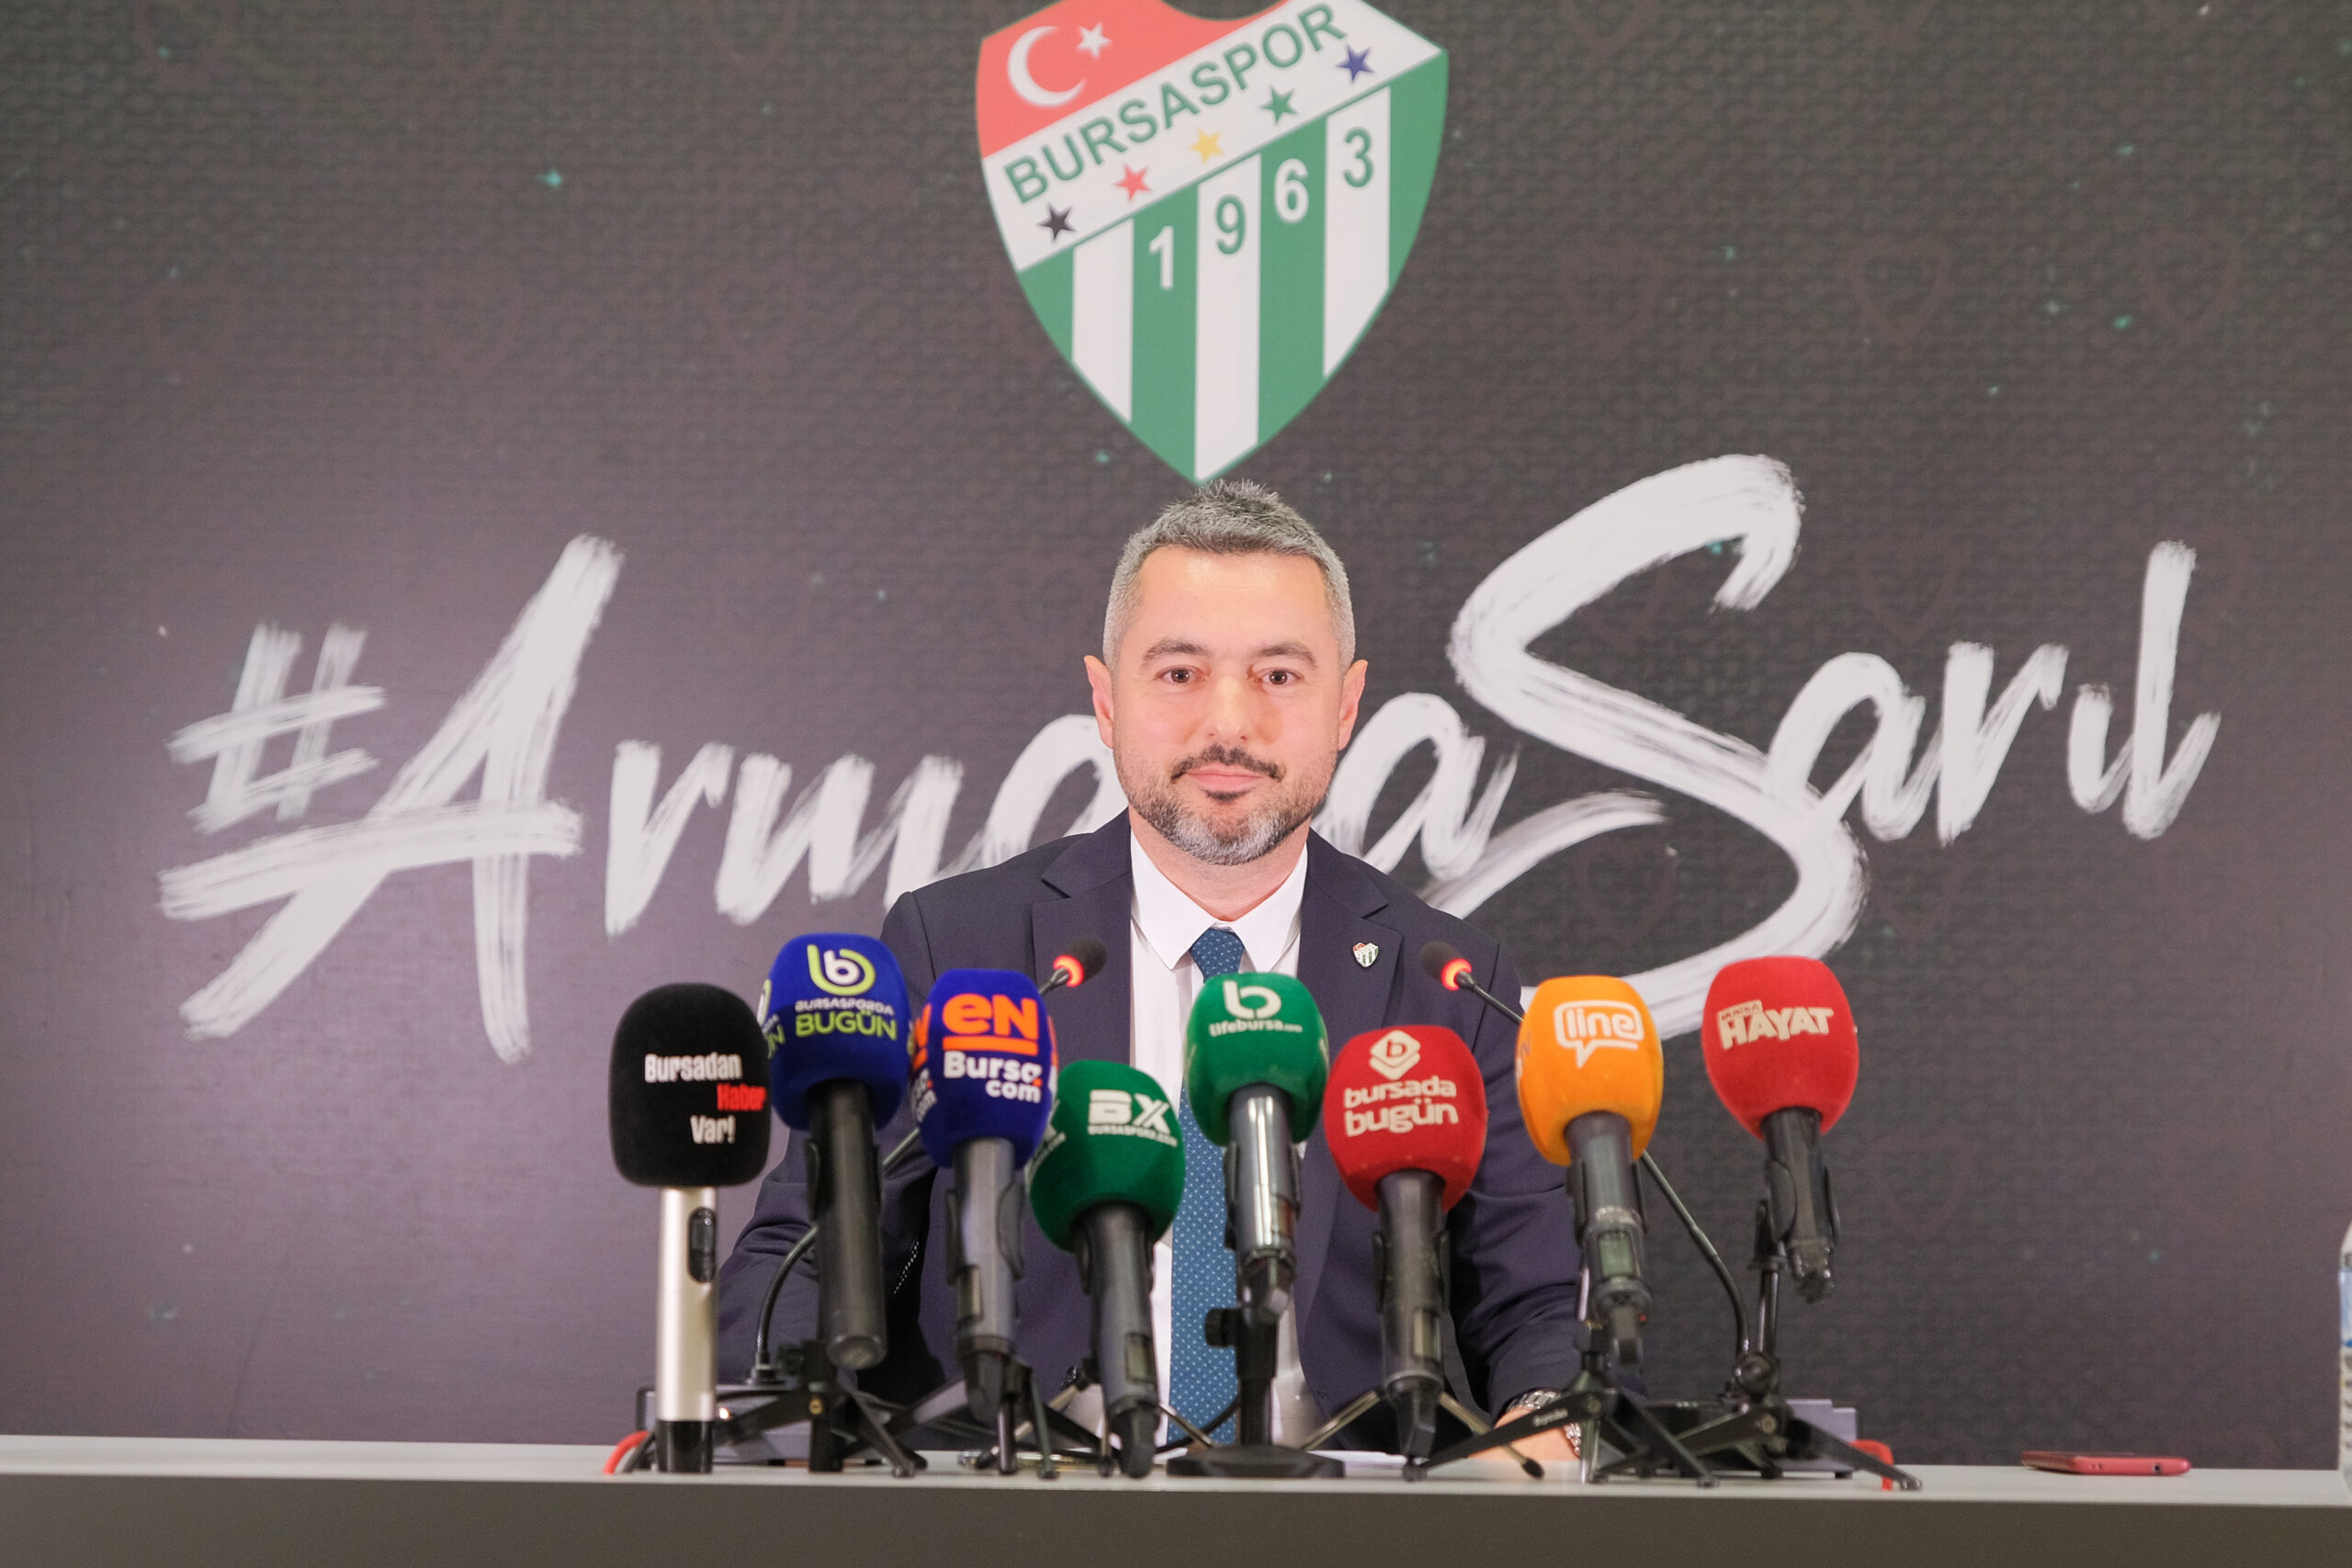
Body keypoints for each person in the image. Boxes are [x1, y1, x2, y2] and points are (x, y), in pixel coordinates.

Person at [718, 480, 1583, 1455]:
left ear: (1345, 706)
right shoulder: (956, 949)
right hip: (1023, 1502)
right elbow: (807, 1255)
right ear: (1105, 700)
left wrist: (1540, 1422)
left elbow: (1539, 1305)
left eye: (1279, 675)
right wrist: (778, 1429)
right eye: (1178, 673)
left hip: (1342, 1513)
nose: (1229, 723)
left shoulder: (1450, 982)